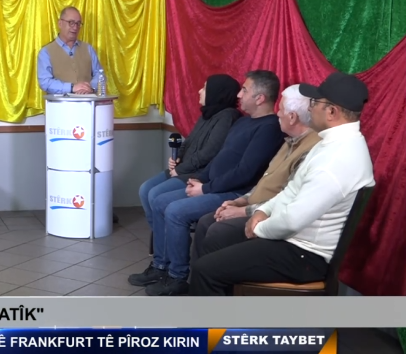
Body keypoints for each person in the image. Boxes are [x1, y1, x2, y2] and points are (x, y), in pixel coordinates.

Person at [158, 75, 375, 354]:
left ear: (332, 111)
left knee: (207, 270)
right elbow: (291, 191)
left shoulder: (337, 159)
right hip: (293, 240)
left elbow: (293, 220)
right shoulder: (332, 143)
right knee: (213, 239)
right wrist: (261, 211)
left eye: (316, 103)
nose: (310, 108)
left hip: (302, 254)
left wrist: (258, 226)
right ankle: (211, 331)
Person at [129, 70, 285, 296]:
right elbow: (220, 158)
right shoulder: (244, 122)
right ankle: (161, 266)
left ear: (260, 98)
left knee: (175, 211)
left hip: (235, 193)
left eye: (244, 90)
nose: (239, 95)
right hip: (212, 184)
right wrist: (200, 179)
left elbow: (245, 173)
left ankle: (177, 277)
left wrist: (205, 189)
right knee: (160, 201)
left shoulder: (269, 128)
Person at [191, 85, 321, 260]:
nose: (278, 114)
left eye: (281, 109)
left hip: (269, 216)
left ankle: (212, 274)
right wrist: (240, 201)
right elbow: (264, 182)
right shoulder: (290, 141)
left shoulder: (310, 149)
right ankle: (200, 274)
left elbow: (287, 199)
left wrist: (243, 211)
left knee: (216, 230)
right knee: (206, 222)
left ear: (292, 117)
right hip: (253, 205)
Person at [139, 74, 242, 234]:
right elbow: (189, 141)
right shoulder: (207, 114)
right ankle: (159, 235)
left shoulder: (227, 116)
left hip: (197, 174)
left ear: (216, 92)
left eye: (205, 88)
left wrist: (180, 169)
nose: (199, 91)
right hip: (183, 168)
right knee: (145, 189)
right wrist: (177, 158)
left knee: (155, 194)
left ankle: (165, 237)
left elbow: (209, 153)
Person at [37, 6, 104, 94]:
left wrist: (91, 87)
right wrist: (72, 87)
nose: (75, 27)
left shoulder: (88, 49)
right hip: (60, 102)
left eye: (78, 23)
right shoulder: (46, 52)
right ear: (60, 23)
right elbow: (45, 82)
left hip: (88, 102)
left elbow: (99, 74)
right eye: (71, 23)